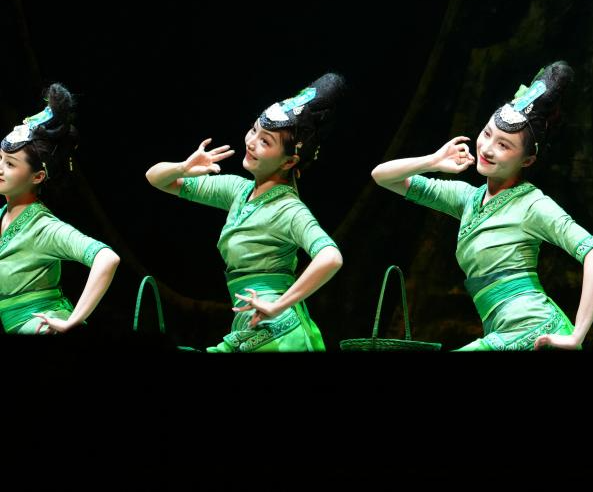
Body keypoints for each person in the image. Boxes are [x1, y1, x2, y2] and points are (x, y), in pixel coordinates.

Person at [372, 61, 593, 350]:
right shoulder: (466, 199)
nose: (487, 149)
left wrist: (576, 336)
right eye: (487, 134)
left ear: (527, 160)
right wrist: (433, 161)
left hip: (534, 331)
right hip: (501, 334)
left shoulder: (532, 204)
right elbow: (382, 176)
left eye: (504, 145)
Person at [145, 73, 344, 351]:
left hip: (277, 331)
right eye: (254, 131)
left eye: (266, 141)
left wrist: (279, 304)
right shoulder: (237, 190)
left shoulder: (288, 208)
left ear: (289, 161)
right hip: (252, 323)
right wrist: (183, 168)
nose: (251, 142)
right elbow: (156, 179)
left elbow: (331, 257)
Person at [0, 83, 120, 334]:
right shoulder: (3, 215)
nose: (0, 168)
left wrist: (72, 322)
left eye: (10, 164)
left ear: (37, 177)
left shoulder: (43, 227)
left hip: (41, 326)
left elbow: (107, 258)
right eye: (0, 159)